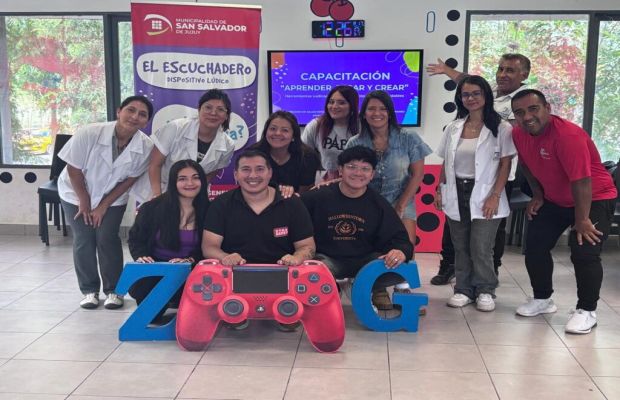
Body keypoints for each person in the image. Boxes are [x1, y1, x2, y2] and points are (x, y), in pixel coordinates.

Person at [511, 89, 617, 334]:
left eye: (533, 109)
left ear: (547, 108)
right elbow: (526, 165)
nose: (527, 117)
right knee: (535, 245)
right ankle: (542, 299)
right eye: (520, 112)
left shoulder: (568, 136)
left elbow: (582, 181)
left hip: (595, 196)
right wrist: (538, 195)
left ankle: (587, 310)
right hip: (555, 199)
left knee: (584, 252)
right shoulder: (518, 134)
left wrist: (582, 219)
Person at [427, 53, 531, 284]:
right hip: (460, 182)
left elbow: (511, 149)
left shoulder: (523, 101)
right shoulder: (482, 98)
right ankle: (455, 274)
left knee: (486, 237)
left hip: (496, 178)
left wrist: (495, 194)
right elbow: (468, 82)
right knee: (457, 235)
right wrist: (447, 70)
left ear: (524, 75)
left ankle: (487, 280)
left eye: (510, 70)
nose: (503, 74)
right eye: (501, 69)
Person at [202, 149, 316, 330]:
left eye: (260, 169)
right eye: (246, 169)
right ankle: (234, 309)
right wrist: (225, 257)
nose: (253, 175)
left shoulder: (291, 203)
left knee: (291, 316)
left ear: (270, 173)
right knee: (210, 272)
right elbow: (209, 246)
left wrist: (297, 258)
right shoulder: (221, 204)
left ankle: (285, 309)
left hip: (282, 277)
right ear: (236, 175)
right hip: (236, 276)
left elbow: (307, 246)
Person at [58, 95, 154, 309]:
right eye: (131, 110)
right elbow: (74, 168)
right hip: (74, 192)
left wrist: (103, 206)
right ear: (119, 111)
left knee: (107, 237)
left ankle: (114, 291)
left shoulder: (145, 146)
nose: (135, 117)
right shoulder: (89, 133)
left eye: (142, 114)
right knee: (84, 237)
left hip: (113, 197)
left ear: (146, 122)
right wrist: (84, 201)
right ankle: (89, 290)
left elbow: (130, 180)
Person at [435, 75, 516, 312]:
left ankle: (485, 290)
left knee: (480, 247)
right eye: (465, 94)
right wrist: (440, 189)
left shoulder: (502, 128)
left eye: (476, 93)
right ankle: (463, 289)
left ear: (486, 96)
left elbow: (506, 165)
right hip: (456, 190)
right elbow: (446, 162)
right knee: (460, 245)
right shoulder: (454, 128)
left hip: (485, 192)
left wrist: (495, 195)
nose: (471, 98)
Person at [345, 90, 432, 308]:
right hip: (368, 203)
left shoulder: (408, 137)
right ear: (364, 114)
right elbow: (350, 175)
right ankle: (379, 289)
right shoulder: (355, 142)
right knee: (374, 248)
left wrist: (400, 205)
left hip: (402, 199)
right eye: (371, 109)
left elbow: (417, 174)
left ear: (390, 112)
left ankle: (403, 287)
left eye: (382, 108)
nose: (377, 113)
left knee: (405, 246)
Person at [301, 146, 413, 310]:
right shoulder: (316, 197)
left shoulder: (379, 204)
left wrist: (400, 251)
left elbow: (401, 239)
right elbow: (292, 217)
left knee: (399, 269)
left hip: (365, 261)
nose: (358, 173)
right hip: (327, 259)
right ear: (340, 170)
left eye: (365, 169)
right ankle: (334, 288)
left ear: (372, 174)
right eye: (351, 167)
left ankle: (358, 285)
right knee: (310, 270)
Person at [127, 159, 209, 322]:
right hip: (157, 271)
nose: (190, 183)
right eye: (182, 179)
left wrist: (190, 260)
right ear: (173, 182)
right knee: (152, 319)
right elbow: (136, 239)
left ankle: (180, 300)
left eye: (195, 178)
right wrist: (141, 255)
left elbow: (213, 246)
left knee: (195, 321)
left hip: (193, 271)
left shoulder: (211, 210)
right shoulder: (152, 208)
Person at [131, 89, 235, 202]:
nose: (213, 113)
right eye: (208, 107)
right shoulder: (175, 128)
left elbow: (214, 171)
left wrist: (198, 191)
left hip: (193, 195)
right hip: (160, 188)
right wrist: (158, 197)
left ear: (226, 115)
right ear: (199, 109)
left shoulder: (228, 145)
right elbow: (155, 164)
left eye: (220, 109)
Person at [251, 110, 321, 193]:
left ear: (293, 136)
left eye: (285, 130)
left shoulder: (307, 157)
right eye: (273, 129)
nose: (277, 133)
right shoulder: (252, 154)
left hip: (295, 199)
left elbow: (305, 193)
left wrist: (290, 195)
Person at [302, 85, 360, 180]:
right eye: (331, 102)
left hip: (357, 178)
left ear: (352, 105)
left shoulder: (361, 126)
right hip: (326, 178)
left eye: (341, 103)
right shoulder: (316, 125)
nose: (334, 106)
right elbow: (303, 155)